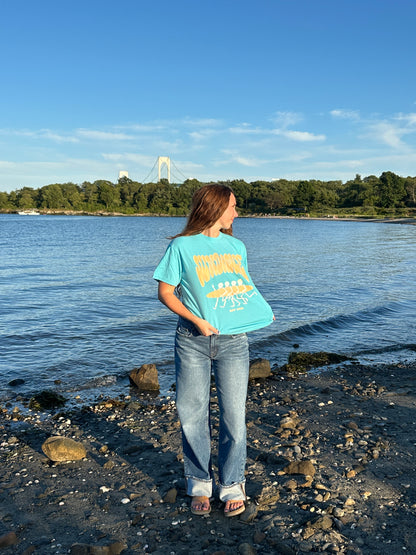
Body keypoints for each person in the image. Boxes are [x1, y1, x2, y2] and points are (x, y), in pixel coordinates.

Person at [153, 184, 274, 517]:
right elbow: (166, 293)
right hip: (192, 340)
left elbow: (241, 289)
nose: (237, 213)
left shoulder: (237, 247)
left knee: (234, 417)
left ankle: (232, 484)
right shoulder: (181, 247)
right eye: (233, 206)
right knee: (192, 415)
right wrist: (198, 320)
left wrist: (257, 314)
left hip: (235, 342)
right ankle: (199, 484)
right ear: (214, 207)